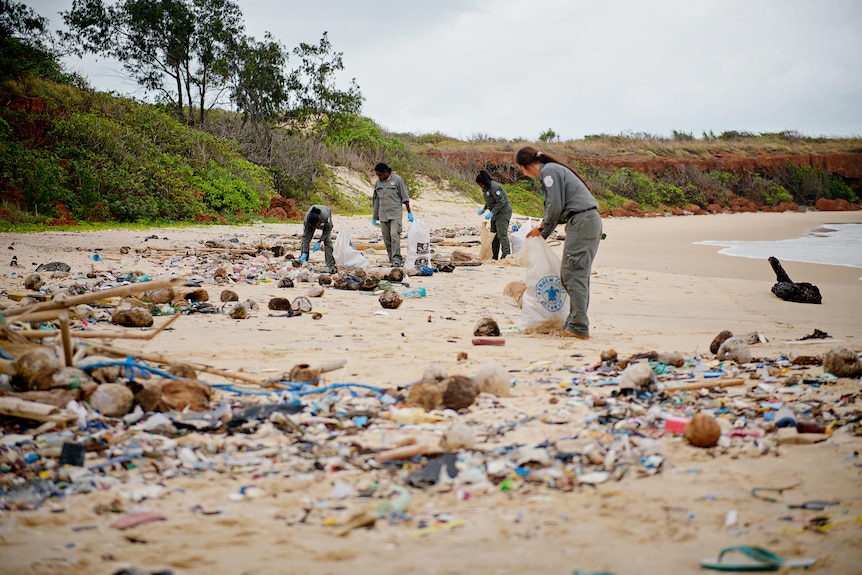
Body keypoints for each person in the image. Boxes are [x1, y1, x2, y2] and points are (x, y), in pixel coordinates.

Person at [515, 146, 602, 339]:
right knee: (575, 273)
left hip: (582, 222)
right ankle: (575, 323)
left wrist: (542, 228)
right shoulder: (552, 170)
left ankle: (578, 327)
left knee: (573, 273)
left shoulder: (549, 172)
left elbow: (554, 206)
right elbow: (556, 210)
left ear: (526, 165)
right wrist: (541, 238)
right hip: (585, 222)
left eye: (521, 170)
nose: (524, 173)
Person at [372, 162, 413, 267]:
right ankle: (391, 259)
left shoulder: (397, 180)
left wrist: (409, 212)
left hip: (395, 214)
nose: (379, 177)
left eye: (380, 175)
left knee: (394, 235)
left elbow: (405, 197)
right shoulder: (378, 183)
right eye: (377, 175)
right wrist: (374, 217)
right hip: (383, 215)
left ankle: (397, 259)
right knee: (387, 239)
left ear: (386, 172)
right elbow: (376, 200)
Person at [476, 169, 513, 259]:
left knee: (502, 234)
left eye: (481, 184)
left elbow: (501, 202)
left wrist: (492, 212)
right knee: (494, 235)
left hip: (503, 212)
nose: (480, 186)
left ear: (484, 182)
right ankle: (494, 255)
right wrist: (484, 209)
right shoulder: (486, 189)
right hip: (495, 212)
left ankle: (506, 254)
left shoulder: (495, 187)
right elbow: (490, 201)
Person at [299, 204, 336, 270]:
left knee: (327, 242)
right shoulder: (307, 221)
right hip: (311, 222)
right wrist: (304, 252)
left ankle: (330, 264)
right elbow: (305, 238)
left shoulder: (325, 217)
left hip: (325, 223)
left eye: (315, 225)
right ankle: (304, 261)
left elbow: (328, 229)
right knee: (305, 241)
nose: (314, 228)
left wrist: (320, 240)